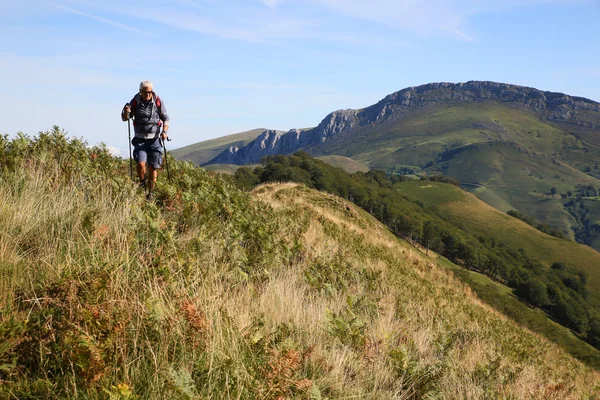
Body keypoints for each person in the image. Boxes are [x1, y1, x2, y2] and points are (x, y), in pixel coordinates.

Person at [121, 80, 170, 200]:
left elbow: (165, 118)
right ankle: (142, 183)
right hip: (140, 138)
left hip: (155, 139)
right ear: (140, 91)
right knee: (140, 163)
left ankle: (151, 193)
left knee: (153, 167)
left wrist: (164, 132)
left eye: (150, 92)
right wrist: (127, 113)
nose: (148, 94)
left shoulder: (158, 101)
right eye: (145, 92)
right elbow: (124, 118)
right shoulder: (134, 102)